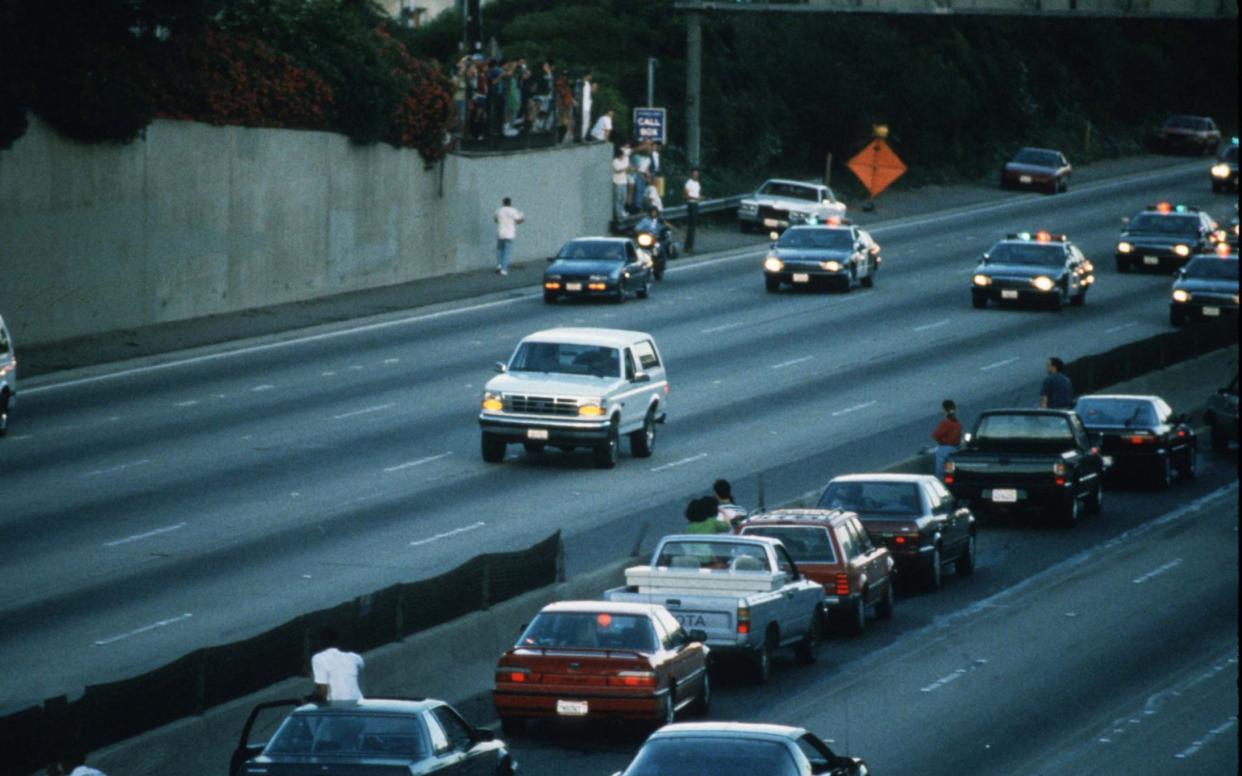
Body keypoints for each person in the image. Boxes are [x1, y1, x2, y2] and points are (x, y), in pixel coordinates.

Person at [310, 627, 365, 703]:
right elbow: (360, 665)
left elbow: (322, 692)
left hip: (338, 709)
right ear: (337, 641)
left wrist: (308, 698)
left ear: (320, 642)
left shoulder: (318, 658)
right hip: (360, 706)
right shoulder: (355, 657)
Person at [931, 399, 962, 481]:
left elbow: (935, 435)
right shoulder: (957, 423)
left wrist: (941, 442)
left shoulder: (945, 422)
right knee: (949, 471)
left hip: (944, 450)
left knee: (939, 471)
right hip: (954, 450)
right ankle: (949, 485)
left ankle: (940, 487)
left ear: (944, 410)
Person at [493, 197, 525, 275]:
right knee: (507, 252)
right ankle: (504, 270)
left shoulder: (498, 210)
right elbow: (518, 221)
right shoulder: (513, 210)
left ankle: (499, 265)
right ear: (510, 203)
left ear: (503, 203)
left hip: (500, 233)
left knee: (499, 250)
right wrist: (522, 218)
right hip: (510, 234)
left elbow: (495, 220)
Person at [683, 167, 703, 253]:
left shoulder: (697, 183)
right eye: (694, 174)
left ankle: (689, 246)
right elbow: (685, 195)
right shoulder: (688, 183)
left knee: (693, 227)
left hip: (696, 204)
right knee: (691, 227)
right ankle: (688, 247)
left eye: (697, 174)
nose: (696, 175)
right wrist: (697, 198)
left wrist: (699, 198)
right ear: (691, 174)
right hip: (691, 204)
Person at [610, 145, 630, 222]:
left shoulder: (623, 161)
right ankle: (618, 214)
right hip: (617, 182)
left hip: (624, 181)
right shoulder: (615, 161)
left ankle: (622, 211)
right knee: (618, 198)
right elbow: (617, 171)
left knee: (623, 198)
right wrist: (625, 168)